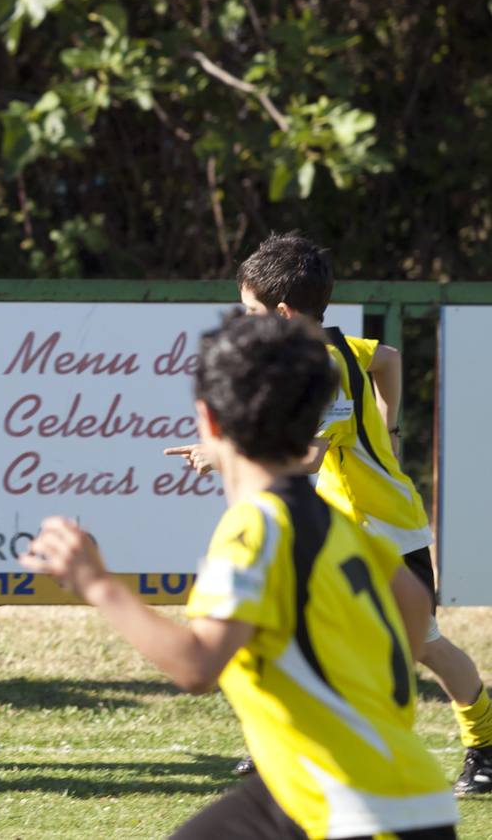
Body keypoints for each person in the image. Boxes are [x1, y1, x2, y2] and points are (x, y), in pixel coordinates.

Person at [34, 314, 456, 840]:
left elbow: (197, 666)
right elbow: (413, 603)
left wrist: (97, 583)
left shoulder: (256, 527)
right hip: (399, 790)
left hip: (356, 811)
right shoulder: (341, 522)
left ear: (208, 422)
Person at [171, 232, 492, 793]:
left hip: (384, 529)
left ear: (285, 313)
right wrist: (388, 429)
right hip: (348, 524)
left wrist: (221, 453)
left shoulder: (323, 369)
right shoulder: (334, 347)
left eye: (250, 312)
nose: (245, 322)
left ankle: (486, 746)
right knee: (295, 625)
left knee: (426, 647)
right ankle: (282, 742)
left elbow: (306, 454)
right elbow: (388, 359)